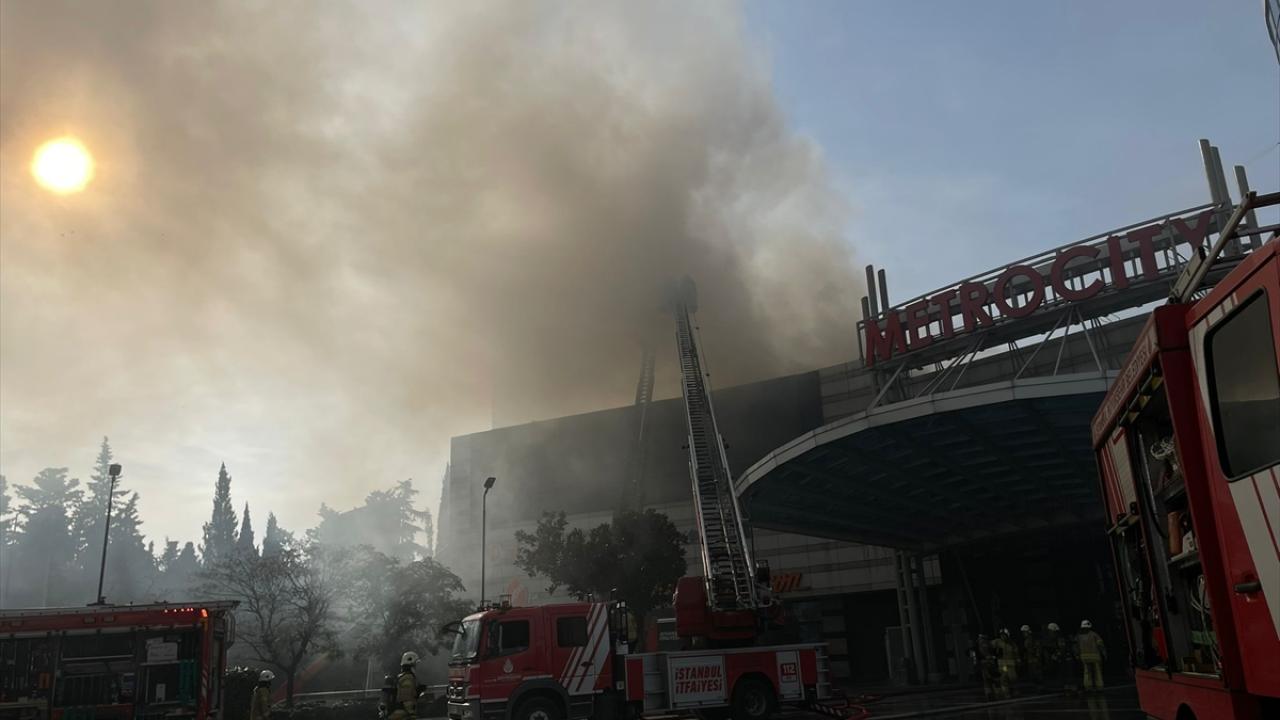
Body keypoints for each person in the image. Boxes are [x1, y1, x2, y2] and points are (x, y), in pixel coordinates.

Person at [389, 651, 420, 720]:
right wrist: (411, 713)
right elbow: (406, 697)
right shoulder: (408, 678)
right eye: (415, 664)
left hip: (398, 713)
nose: (416, 667)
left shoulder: (402, 677)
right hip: (402, 714)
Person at [1077, 620, 1106, 691]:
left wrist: (1077, 655)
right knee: (1097, 672)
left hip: (1084, 657)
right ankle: (1099, 686)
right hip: (1095, 656)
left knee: (1087, 672)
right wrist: (1104, 653)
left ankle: (1088, 687)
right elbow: (1100, 645)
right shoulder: (1094, 634)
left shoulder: (1079, 636)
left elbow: (1076, 646)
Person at [1043, 623, 1072, 693]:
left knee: (1066, 674)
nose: (1049, 633)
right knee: (1061, 674)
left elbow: (1062, 650)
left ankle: (1069, 688)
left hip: (1066, 660)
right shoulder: (1055, 640)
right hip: (1062, 660)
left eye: (1050, 631)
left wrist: (1055, 656)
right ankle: (1066, 688)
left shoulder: (1060, 639)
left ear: (1054, 631)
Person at [991, 628, 1020, 698]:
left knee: (1013, 678)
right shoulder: (997, 642)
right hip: (1003, 665)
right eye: (1001, 635)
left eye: (1004, 635)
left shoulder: (1012, 644)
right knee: (1004, 678)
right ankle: (1006, 693)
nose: (1003, 636)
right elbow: (989, 646)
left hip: (1011, 664)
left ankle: (1015, 691)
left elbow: (1016, 653)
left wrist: (1018, 660)